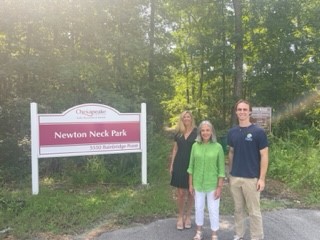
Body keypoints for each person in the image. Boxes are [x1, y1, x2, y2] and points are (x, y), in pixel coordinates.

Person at [227, 99, 269, 240]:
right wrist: (230, 172)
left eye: (245, 109)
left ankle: (256, 237)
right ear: (236, 112)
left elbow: (264, 155)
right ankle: (239, 234)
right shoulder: (232, 132)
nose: (242, 112)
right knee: (238, 210)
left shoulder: (258, 132)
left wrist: (262, 178)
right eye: (239, 109)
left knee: (254, 212)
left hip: (251, 178)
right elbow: (231, 152)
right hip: (235, 177)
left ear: (250, 112)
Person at [187, 120, 225, 240]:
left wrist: (219, 187)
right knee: (198, 208)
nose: (205, 132)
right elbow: (191, 166)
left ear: (212, 132)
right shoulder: (195, 146)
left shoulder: (218, 147)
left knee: (213, 210)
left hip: (212, 184)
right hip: (198, 184)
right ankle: (199, 231)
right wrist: (190, 184)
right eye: (203, 130)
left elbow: (221, 170)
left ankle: (214, 233)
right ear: (200, 132)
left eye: (207, 130)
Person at [169, 110, 197, 230]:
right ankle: (180, 216)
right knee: (180, 193)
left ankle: (188, 216)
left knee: (191, 192)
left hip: (193, 164)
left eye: (188, 117)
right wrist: (172, 164)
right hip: (179, 164)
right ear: (182, 119)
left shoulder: (197, 133)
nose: (186, 119)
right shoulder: (178, 133)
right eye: (184, 117)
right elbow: (175, 149)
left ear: (191, 118)